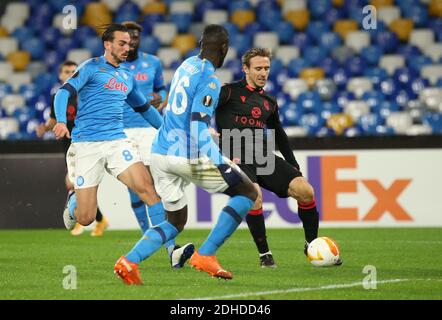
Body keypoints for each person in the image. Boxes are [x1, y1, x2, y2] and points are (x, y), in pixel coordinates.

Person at [113, 24, 258, 285]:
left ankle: (129, 261)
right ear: (225, 49)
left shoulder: (186, 65)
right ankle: (206, 254)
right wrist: (218, 162)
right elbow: (197, 124)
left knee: (175, 221)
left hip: (159, 152)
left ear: (201, 44)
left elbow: (182, 110)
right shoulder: (210, 79)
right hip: (185, 154)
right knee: (248, 192)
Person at [52, 24, 191, 268]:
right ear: (107, 44)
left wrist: (169, 132)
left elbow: (145, 109)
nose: (128, 48)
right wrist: (62, 121)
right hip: (87, 145)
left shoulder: (127, 76)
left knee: (150, 192)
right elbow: (63, 93)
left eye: (129, 44)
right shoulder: (91, 67)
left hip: (117, 141)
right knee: (85, 218)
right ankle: (74, 199)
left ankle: (172, 249)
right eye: (122, 43)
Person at [214, 48, 342, 267]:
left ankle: (311, 245)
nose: (263, 73)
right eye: (258, 68)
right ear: (245, 69)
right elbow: (201, 108)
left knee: (306, 191)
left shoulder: (269, 102)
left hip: (263, 155)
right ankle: (265, 254)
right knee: (255, 196)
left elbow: (279, 134)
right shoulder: (227, 92)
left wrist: (293, 164)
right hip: (235, 156)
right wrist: (205, 131)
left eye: (266, 68)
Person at [118, 21, 190, 266]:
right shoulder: (112, 65)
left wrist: (159, 98)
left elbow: (161, 89)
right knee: (135, 189)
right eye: (128, 38)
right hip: (121, 129)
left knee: (151, 186)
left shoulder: (153, 63)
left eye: (136, 37)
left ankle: (169, 247)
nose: (132, 42)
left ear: (140, 38)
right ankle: (149, 239)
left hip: (147, 127)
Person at [36, 60, 108, 237]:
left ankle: (80, 219)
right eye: (67, 71)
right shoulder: (58, 97)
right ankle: (98, 219)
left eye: (74, 71)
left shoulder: (85, 95)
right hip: (68, 146)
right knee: (76, 183)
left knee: (73, 182)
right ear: (60, 75)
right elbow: (53, 121)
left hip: (85, 145)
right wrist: (45, 128)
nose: (70, 74)